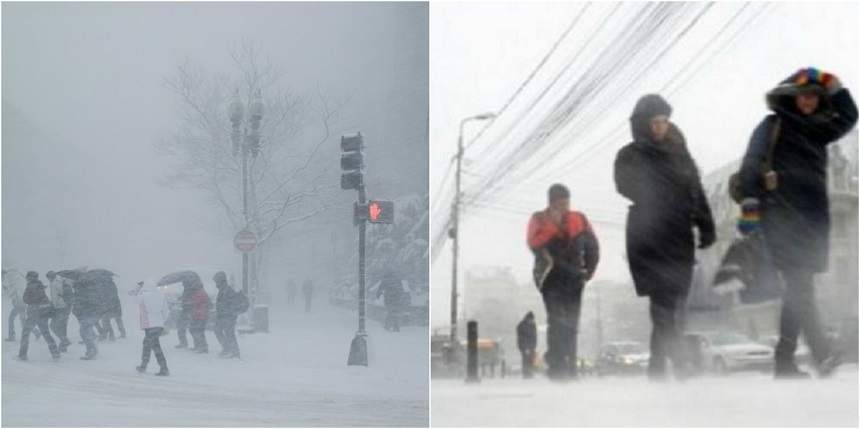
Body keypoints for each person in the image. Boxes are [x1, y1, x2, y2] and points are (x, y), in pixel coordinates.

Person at [737, 68, 857, 379]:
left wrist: (831, 82)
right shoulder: (773, 124)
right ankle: (822, 353)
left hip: (813, 220)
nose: (809, 102)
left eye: (815, 97)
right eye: (804, 96)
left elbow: (849, 114)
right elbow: (751, 162)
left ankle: (784, 362)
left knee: (797, 289)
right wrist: (750, 207)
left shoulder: (818, 129)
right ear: (792, 96)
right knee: (801, 285)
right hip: (781, 216)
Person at [613, 94, 716, 380]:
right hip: (648, 234)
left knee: (675, 302)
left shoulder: (681, 155)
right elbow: (624, 185)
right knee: (661, 301)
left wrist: (706, 225)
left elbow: (696, 191)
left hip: (679, 235)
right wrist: (661, 193)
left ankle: (657, 368)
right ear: (643, 124)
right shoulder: (629, 155)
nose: (660, 127)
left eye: (664, 121)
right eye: (654, 122)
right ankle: (680, 360)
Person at [526, 184, 599, 380]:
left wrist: (588, 271)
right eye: (561, 202)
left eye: (567, 201)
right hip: (550, 278)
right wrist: (552, 226)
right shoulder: (539, 219)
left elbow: (593, 246)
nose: (565, 206)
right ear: (551, 202)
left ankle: (568, 365)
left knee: (571, 323)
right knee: (557, 320)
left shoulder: (580, 219)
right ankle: (557, 365)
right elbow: (533, 243)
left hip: (574, 278)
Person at [18, 271, 60, 361]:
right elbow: (45, 300)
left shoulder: (30, 286)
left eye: (27, 277)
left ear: (29, 278)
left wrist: (31, 302)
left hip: (34, 313)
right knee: (46, 333)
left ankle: (22, 354)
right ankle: (55, 352)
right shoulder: (40, 286)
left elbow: (25, 299)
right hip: (43, 313)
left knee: (25, 333)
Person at [131, 281, 170, 376]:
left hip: (149, 325)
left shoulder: (144, 295)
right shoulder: (161, 296)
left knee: (154, 347)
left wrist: (137, 287)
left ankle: (163, 368)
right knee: (148, 345)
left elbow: (135, 299)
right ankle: (144, 366)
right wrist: (161, 321)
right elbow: (166, 311)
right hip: (158, 325)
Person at [74, 273, 104, 360]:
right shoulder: (88, 288)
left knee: (84, 332)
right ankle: (91, 349)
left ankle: (92, 350)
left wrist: (79, 307)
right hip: (90, 313)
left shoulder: (84, 290)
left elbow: (87, 302)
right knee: (86, 331)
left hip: (89, 313)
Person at [214, 271, 243, 359]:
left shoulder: (228, 290)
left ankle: (235, 352)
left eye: (216, 281)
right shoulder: (222, 289)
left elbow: (231, 304)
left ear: (221, 280)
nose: (216, 283)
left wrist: (227, 312)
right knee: (217, 330)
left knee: (229, 333)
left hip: (228, 316)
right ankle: (227, 348)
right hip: (222, 316)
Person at [46, 271, 74, 352]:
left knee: (53, 326)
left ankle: (65, 341)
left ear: (50, 277)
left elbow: (58, 296)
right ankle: (63, 347)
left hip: (61, 307)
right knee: (63, 326)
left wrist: (55, 304)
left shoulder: (55, 283)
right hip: (67, 306)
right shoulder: (63, 280)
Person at [186, 278, 211, 353]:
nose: (192, 286)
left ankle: (203, 347)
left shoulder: (201, 292)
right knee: (194, 330)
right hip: (197, 315)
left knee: (198, 331)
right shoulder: (197, 292)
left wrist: (188, 302)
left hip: (201, 315)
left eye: (194, 285)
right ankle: (199, 345)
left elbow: (195, 302)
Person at [3, 269, 28, 342]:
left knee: (11, 319)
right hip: (21, 303)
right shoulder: (17, 279)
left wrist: (6, 289)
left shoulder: (12, 280)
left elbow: (10, 293)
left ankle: (12, 336)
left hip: (19, 303)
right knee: (23, 320)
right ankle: (36, 333)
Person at [99, 276, 125, 341]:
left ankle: (110, 334)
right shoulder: (111, 284)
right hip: (115, 305)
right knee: (117, 319)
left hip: (110, 305)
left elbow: (107, 296)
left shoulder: (107, 285)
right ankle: (122, 333)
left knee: (105, 319)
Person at [516, 311, 537, 379]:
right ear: (528, 318)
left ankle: (530, 373)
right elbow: (522, 338)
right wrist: (525, 348)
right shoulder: (522, 325)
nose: (532, 320)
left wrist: (534, 346)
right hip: (525, 347)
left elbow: (534, 336)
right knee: (526, 360)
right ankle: (526, 374)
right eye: (531, 319)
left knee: (531, 360)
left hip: (531, 346)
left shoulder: (533, 325)